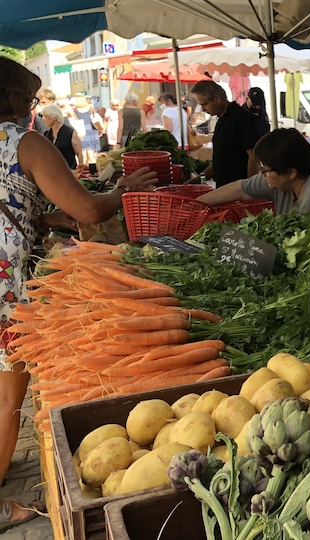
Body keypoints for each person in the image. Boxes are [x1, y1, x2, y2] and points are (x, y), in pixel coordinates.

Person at [0, 57, 158, 532]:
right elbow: (87, 209)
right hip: (4, 284)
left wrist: (42, 219)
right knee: (8, 398)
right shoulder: (22, 142)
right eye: (28, 100)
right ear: (12, 99)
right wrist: (123, 188)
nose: (32, 109)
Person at [198, 128, 310, 214]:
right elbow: (241, 189)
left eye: (265, 170)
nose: (262, 175)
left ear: (291, 172)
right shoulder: (281, 175)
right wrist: (195, 206)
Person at [191, 80, 259, 187]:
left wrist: (250, 188)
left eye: (205, 104)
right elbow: (219, 161)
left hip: (239, 188)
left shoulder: (241, 118)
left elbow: (253, 156)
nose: (203, 109)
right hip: (223, 186)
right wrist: (196, 180)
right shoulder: (221, 120)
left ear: (217, 98)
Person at [40, 104, 82, 169]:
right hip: (51, 171)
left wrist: (81, 169)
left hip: (69, 170)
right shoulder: (47, 134)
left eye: (45, 117)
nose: (43, 119)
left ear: (54, 117)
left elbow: (79, 153)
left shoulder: (69, 132)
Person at [73, 95, 103, 165]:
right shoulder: (90, 107)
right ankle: (92, 165)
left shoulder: (75, 110)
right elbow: (94, 116)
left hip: (81, 130)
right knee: (91, 150)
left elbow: (76, 119)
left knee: (83, 150)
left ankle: (85, 166)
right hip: (91, 129)